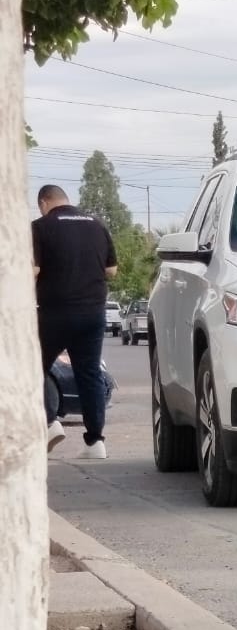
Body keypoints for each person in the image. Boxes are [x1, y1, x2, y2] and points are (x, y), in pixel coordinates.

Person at [32, 184, 117, 458]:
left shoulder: (40, 226)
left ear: (44, 202)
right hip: (93, 312)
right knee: (89, 373)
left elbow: (32, 269)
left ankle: (50, 422)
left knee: (33, 367)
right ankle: (95, 443)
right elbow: (111, 270)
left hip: (54, 312)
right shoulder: (97, 225)